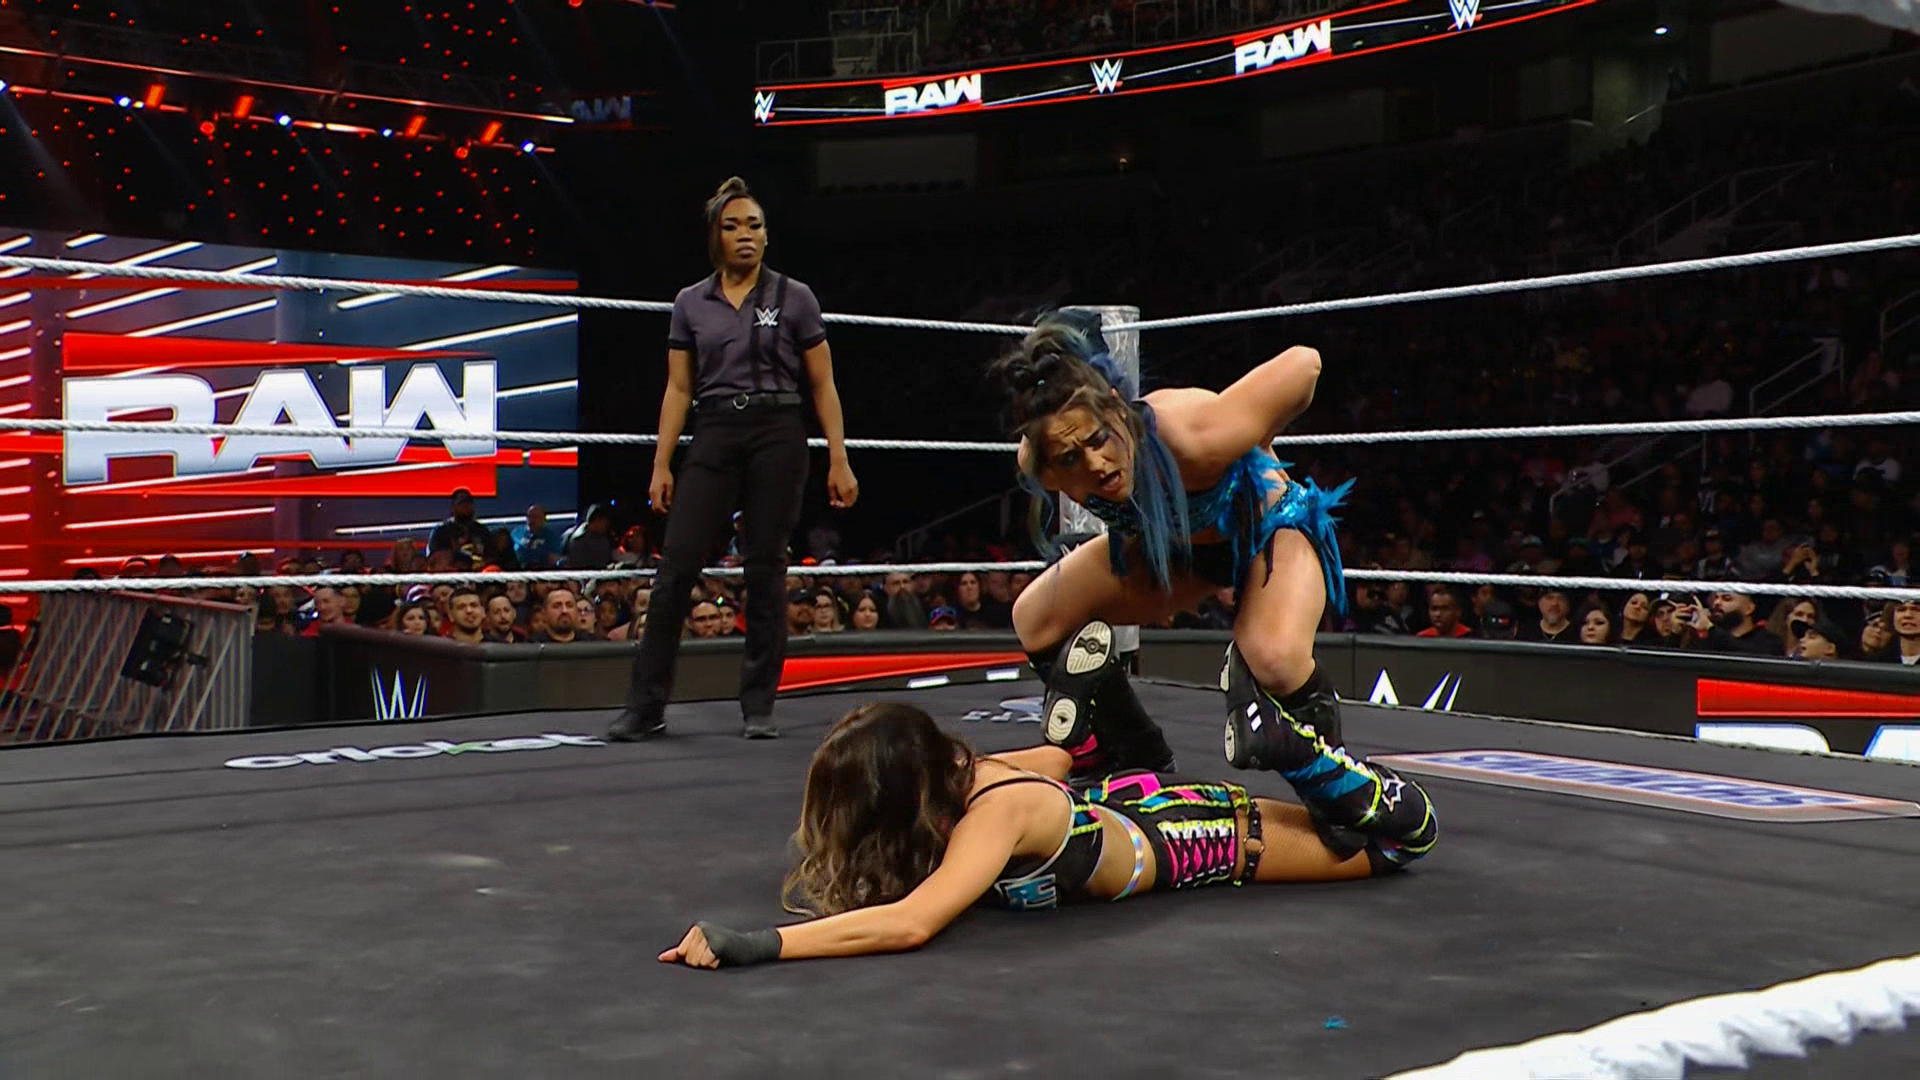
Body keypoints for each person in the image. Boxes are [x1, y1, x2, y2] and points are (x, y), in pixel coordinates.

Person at [982, 311, 1433, 871]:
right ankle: (1131, 753)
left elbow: (1304, 364)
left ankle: (1332, 782)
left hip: (1266, 529)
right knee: (1035, 617)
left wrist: (1254, 433)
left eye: (1099, 439)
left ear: (1118, 411)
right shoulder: (1040, 458)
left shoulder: (1191, 434)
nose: (1095, 464)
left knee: (1272, 656)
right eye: (1072, 457)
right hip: (1177, 551)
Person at [659, 703, 1433, 969]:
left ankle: (1301, 757)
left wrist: (759, 944)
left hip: (1207, 834)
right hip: (1124, 806)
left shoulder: (996, 813)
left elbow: (912, 922)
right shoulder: (969, 773)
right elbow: (1058, 758)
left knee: (1397, 845)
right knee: (1075, 759)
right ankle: (1112, 713)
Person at [611, 176, 858, 743]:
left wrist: (839, 458)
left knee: (765, 567)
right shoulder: (690, 303)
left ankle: (758, 705)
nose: (745, 234)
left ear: (767, 236)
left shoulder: (795, 297)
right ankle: (645, 707)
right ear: (715, 237)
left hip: (778, 429)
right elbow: (679, 388)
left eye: (754, 225)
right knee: (675, 568)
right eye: (733, 226)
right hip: (716, 428)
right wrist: (661, 463)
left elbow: (823, 384)